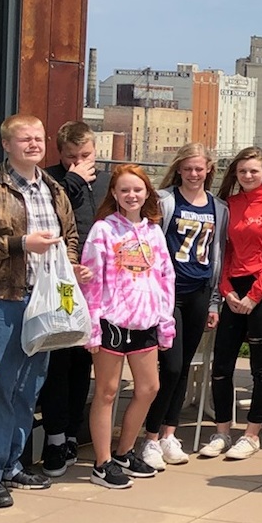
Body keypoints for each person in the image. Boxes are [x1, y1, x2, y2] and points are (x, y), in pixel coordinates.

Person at [0, 113, 78, 509]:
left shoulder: (54, 188)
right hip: (0, 300)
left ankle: (13, 464)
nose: (34, 145)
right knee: (1, 387)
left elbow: (70, 237)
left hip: (46, 302)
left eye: (38, 138)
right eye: (25, 139)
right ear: (7, 145)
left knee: (29, 388)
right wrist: (20, 243)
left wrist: (66, 267)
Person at [78, 165, 175, 488]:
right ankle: (102, 463)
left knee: (149, 388)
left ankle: (124, 451)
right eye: (124, 190)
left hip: (145, 320)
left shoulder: (154, 231)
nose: (131, 196)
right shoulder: (103, 230)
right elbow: (92, 281)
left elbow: (165, 278)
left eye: (137, 190)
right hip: (111, 321)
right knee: (107, 391)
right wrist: (92, 324)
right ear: (115, 195)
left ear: (147, 193)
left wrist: (165, 320)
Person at [139, 144, 227, 468]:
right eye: (188, 168)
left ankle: (168, 434)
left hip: (200, 292)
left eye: (199, 169)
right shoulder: (164, 200)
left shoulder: (219, 207)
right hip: (168, 294)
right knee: (171, 367)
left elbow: (218, 253)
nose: (193, 174)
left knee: (184, 367)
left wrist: (214, 300)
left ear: (208, 171)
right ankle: (149, 438)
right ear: (179, 169)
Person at [201, 147, 262, 462]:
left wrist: (254, 295)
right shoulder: (229, 205)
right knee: (222, 365)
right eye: (242, 171)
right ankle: (222, 431)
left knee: (259, 367)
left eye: (253, 171)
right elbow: (223, 252)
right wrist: (227, 291)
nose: (248, 176)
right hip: (233, 290)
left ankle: (251, 435)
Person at [38, 121, 110, 476]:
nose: (79, 162)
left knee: (84, 361)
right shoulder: (51, 180)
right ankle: (52, 437)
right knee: (58, 362)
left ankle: (70, 433)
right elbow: (47, 215)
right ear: (60, 154)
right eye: (71, 157)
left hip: (98, 288)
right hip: (61, 284)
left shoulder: (110, 182)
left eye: (86, 156)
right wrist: (74, 180)